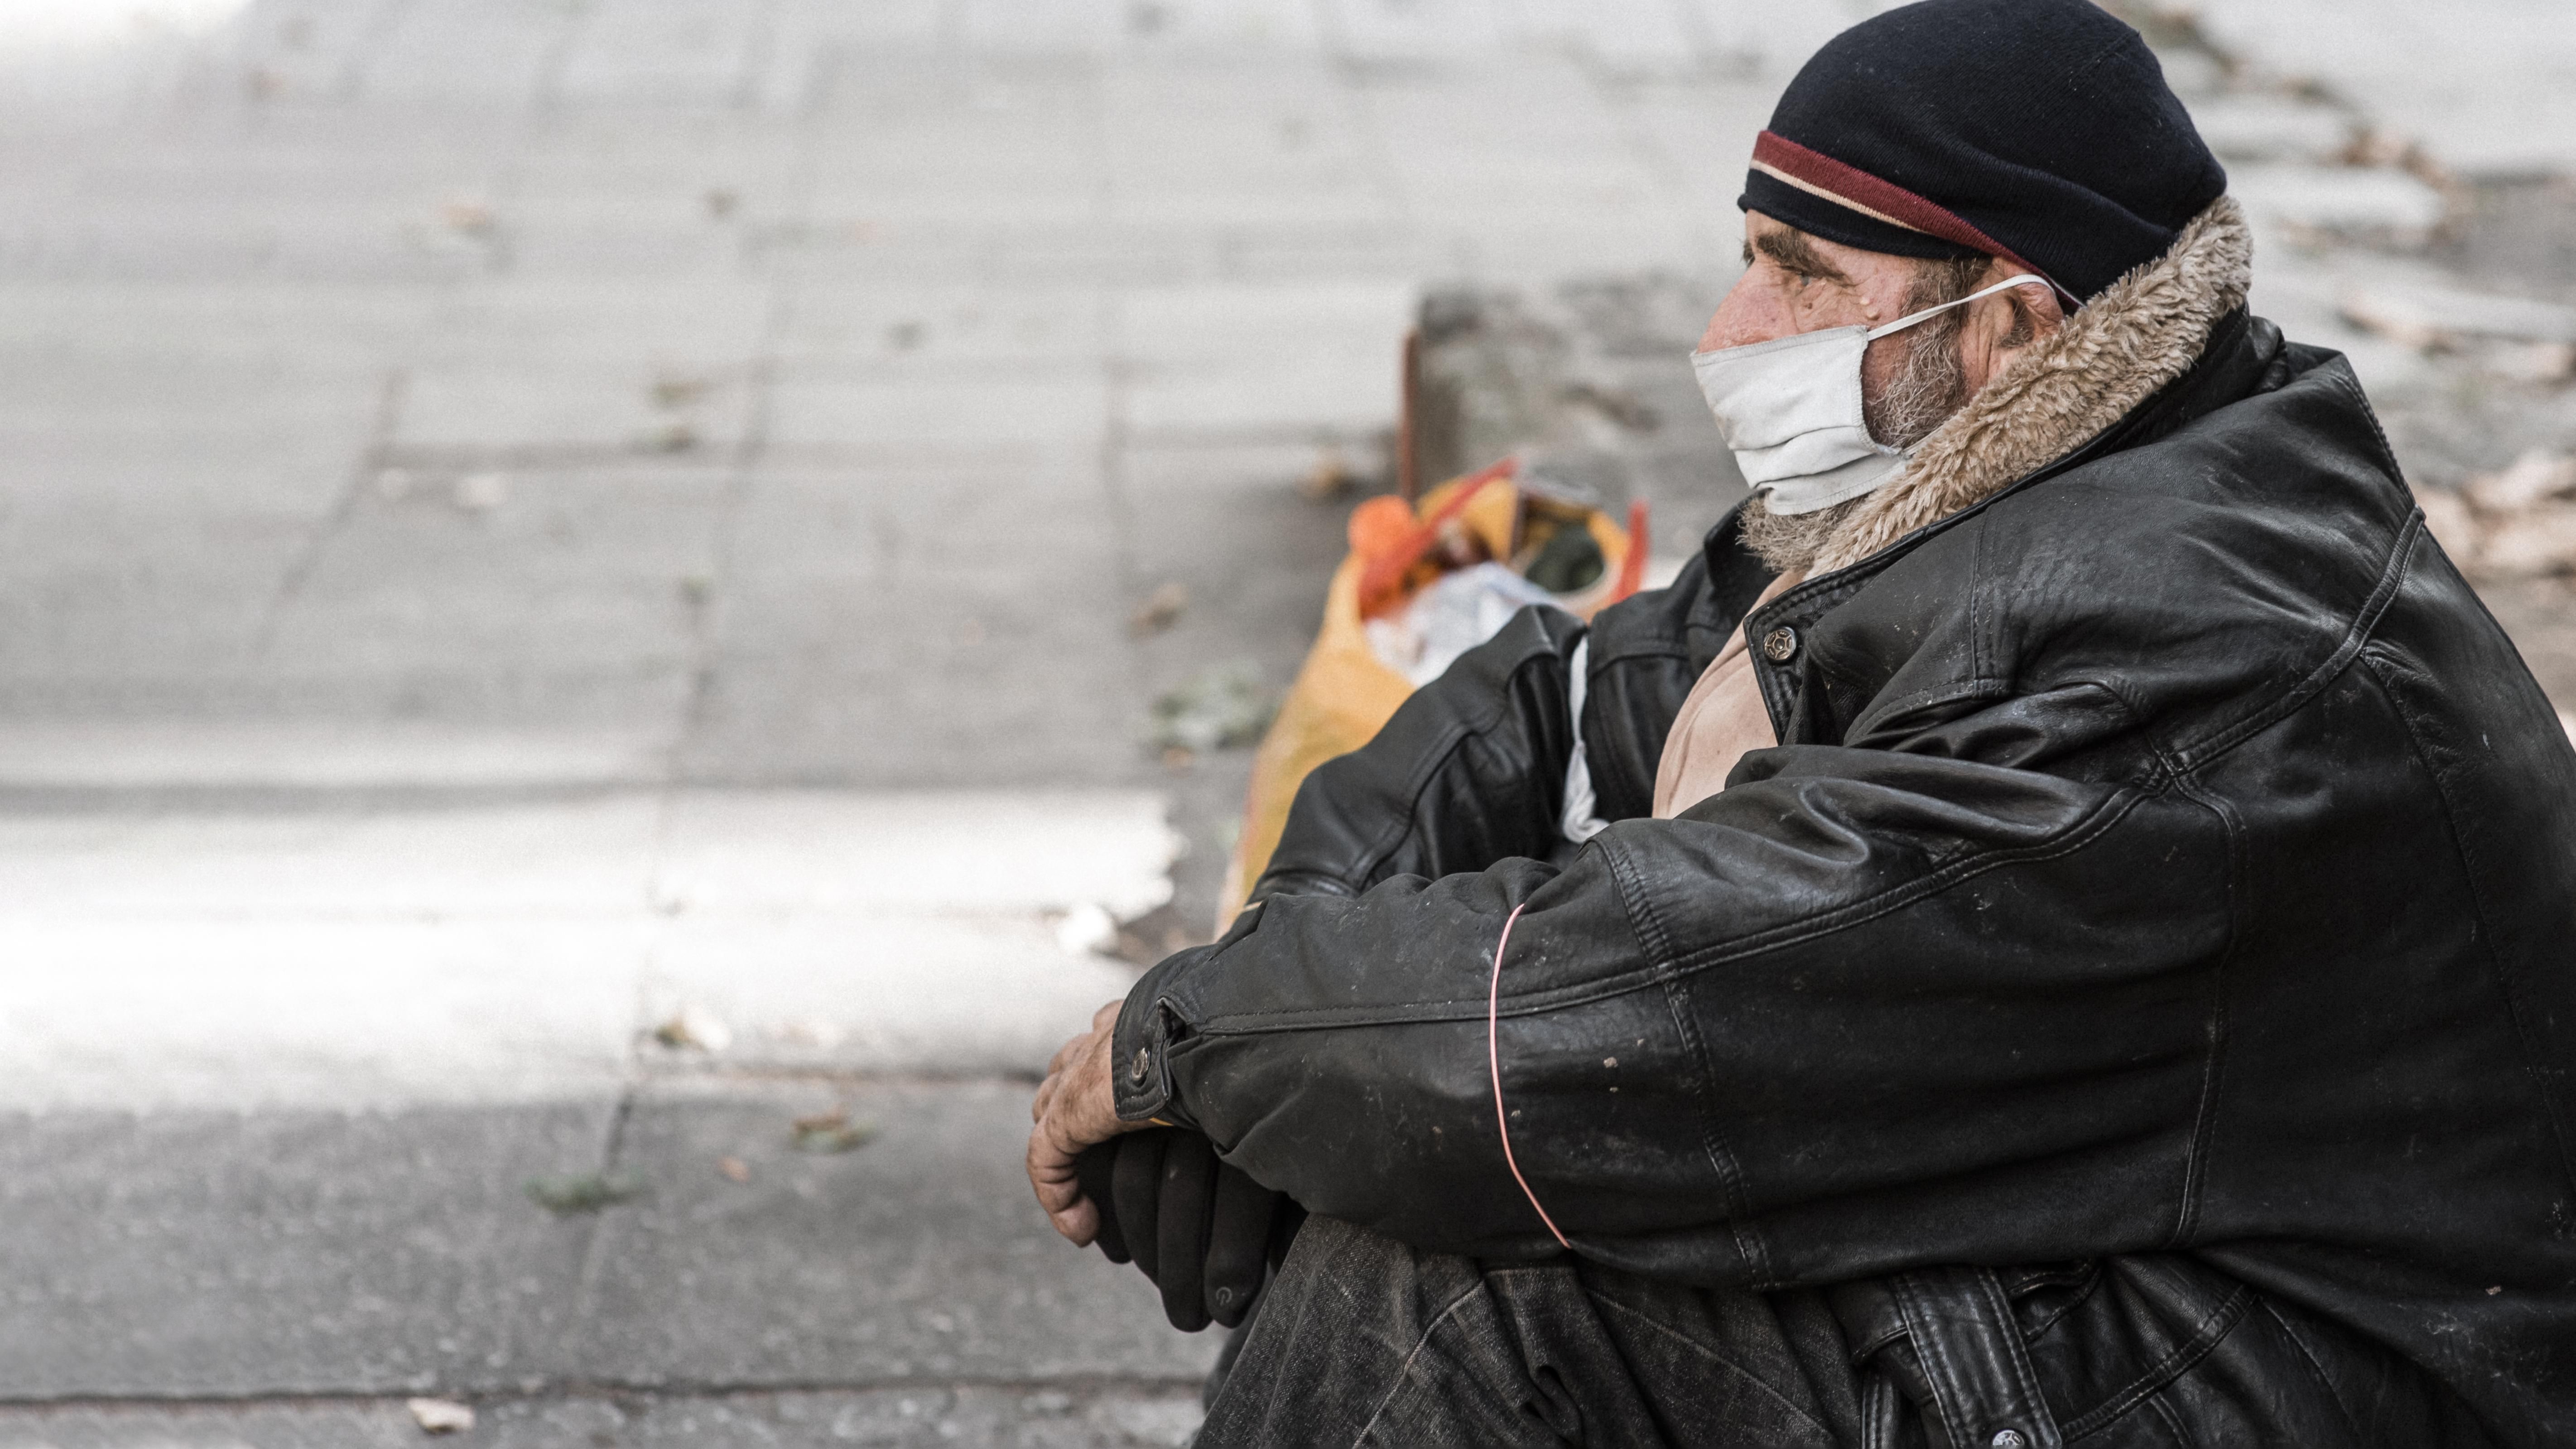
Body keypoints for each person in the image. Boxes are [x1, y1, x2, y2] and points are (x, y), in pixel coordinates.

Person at [1028, 1, 2576, 1443]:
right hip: (2143, 1259)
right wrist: (1264, 1000)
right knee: (1383, 1123)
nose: (1734, 323)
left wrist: (1193, 1045)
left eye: (1801, 272)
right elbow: (1567, 697)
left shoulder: (2181, 674)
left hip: (2311, 1367)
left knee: (1469, 1286)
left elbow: (1616, 1023)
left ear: (2015, 328)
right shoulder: (2046, 470)